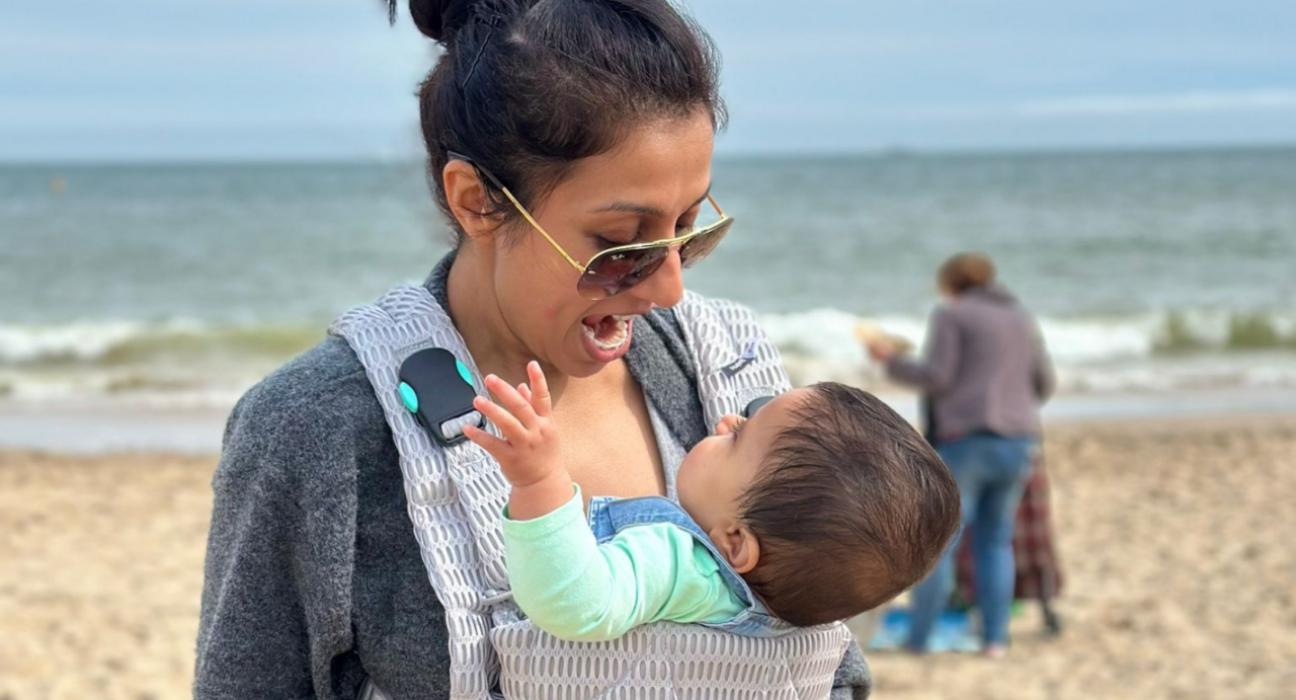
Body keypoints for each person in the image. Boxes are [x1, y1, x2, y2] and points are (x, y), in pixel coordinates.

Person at [194, 0, 874, 697]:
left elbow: (833, 673)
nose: (669, 287)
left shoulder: (730, 368)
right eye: (620, 245)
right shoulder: (317, 430)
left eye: (689, 230)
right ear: (477, 202)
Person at [464, 363, 960, 639]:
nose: (727, 420)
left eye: (739, 437)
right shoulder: (793, 618)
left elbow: (576, 605)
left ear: (735, 543)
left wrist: (540, 480)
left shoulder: (682, 564)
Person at [865, 252, 1055, 658]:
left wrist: (891, 361)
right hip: (1018, 439)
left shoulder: (951, 315)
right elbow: (1043, 382)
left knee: (940, 541)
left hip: (967, 439)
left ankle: (919, 638)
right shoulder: (1020, 316)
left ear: (949, 283)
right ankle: (995, 640)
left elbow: (937, 376)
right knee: (996, 541)